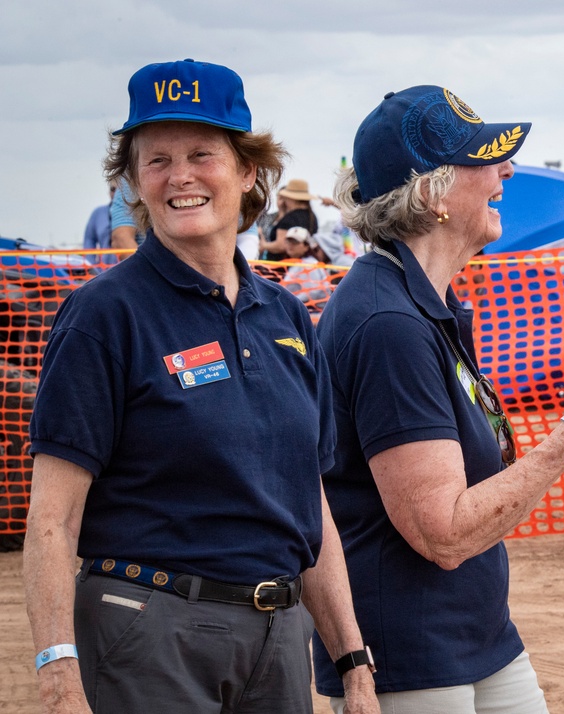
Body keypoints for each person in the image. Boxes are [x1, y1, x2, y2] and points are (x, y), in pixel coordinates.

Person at [22, 58, 378, 714]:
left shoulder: (286, 316)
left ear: (248, 172)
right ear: (132, 181)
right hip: (148, 634)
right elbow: (53, 517)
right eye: (155, 160)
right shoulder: (106, 314)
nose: (180, 176)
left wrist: (352, 661)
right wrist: (57, 673)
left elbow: (311, 505)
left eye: (201, 153)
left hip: (276, 636)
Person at [312, 85, 564, 713]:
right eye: (485, 160)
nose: (507, 172)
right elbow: (443, 533)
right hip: (411, 657)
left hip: (477, 636)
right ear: (434, 193)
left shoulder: (418, 303)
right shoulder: (389, 321)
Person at [259, 178, 319, 260]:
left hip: (279, 266)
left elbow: (281, 245)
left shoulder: (290, 218)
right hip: (302, 263)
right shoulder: (312, 217)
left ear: (291, 198)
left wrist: (264, 245)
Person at [109, 179, 140, 249]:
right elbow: (121, 238)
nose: (114, 192)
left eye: (115, 189)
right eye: (112, 189)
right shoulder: (128, 185)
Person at [82, 184, 114, 250]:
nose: (116, 194)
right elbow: (89, 240)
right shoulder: (98, 213)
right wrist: (90, 260)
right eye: (113, 189)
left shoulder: (135, 212)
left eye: (120, 190)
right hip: (105, 259)